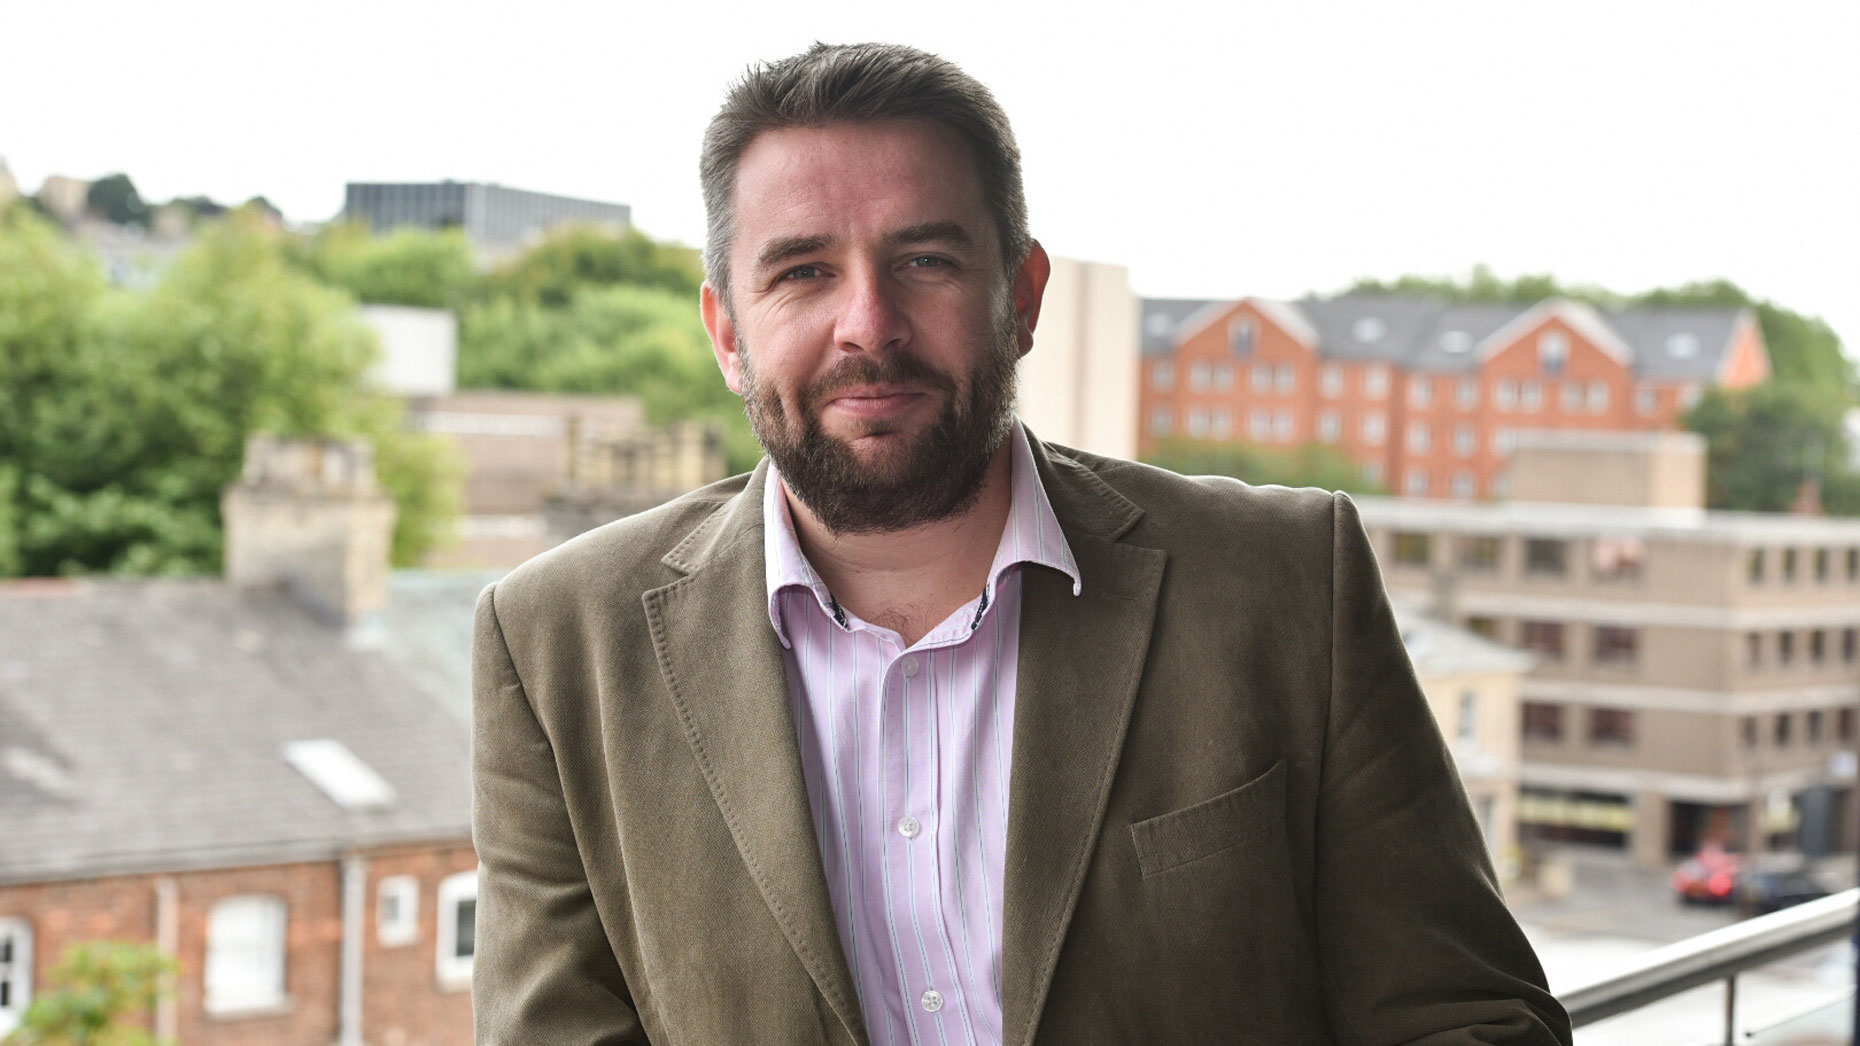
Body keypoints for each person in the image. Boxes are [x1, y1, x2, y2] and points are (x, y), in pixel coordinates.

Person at [470, 42, 1572, 1046]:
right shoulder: (559, 643)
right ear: (726, 332)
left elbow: (1469, 1018)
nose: (868, 324)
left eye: (926, 260)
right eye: (803, 270)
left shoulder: (1285, 582)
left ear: (1024, 296)